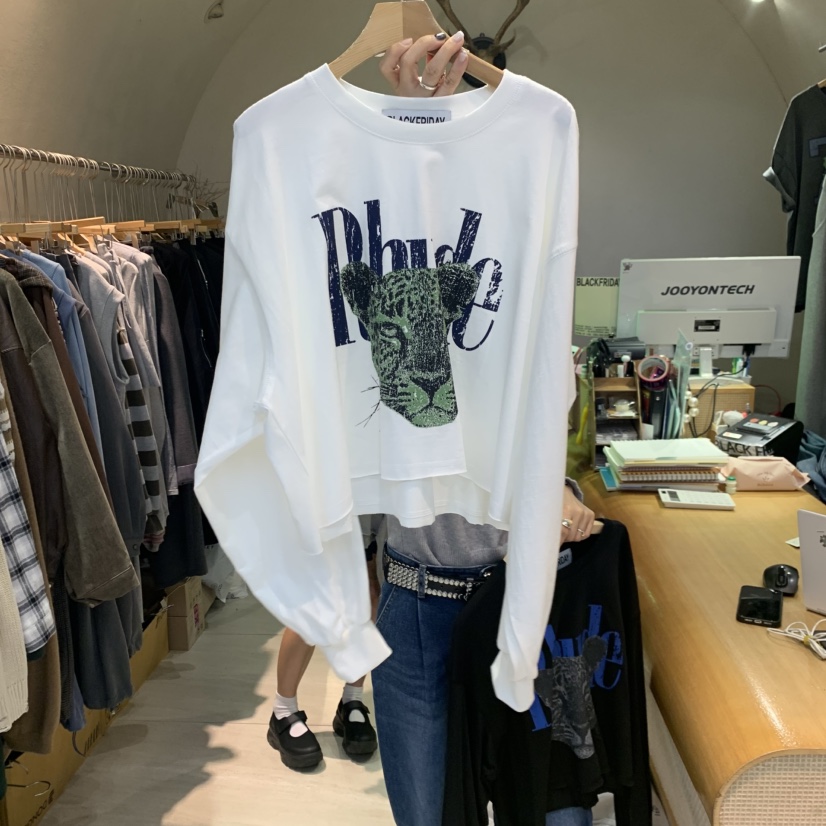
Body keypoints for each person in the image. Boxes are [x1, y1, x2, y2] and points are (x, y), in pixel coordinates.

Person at [369, 34, 599, 826]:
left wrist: (562, 491)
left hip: (531, 590)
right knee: (428, 815)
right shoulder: (393, 263)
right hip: (420, 601)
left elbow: (543, 423)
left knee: (557, 811)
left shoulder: (532, 249)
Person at [267, 524, 382, 769]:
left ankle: (352, 700)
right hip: (321, 505)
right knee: (312, 596)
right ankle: (283, 711)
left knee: (368, 591)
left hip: (370, 509)